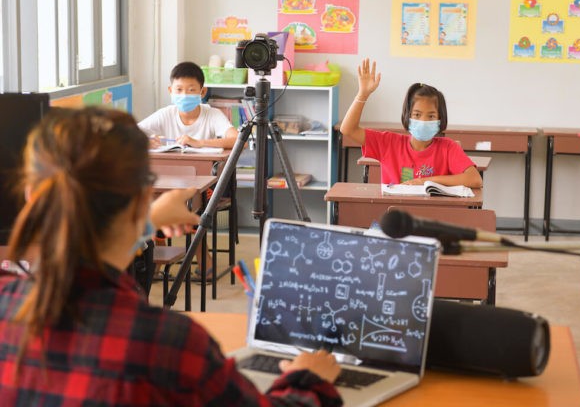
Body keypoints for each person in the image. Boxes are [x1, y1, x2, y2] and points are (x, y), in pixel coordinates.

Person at [0, 107, 341, 406]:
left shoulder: (7, 303)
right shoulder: (168, 341)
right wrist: (307, 378)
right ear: (142, 197)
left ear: (32, 196)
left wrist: (145, 222)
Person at [339, 58, 482, 188]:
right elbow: (348, 130)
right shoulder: (389, 143)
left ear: (440, 119)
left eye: (431, 116)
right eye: (417, 115)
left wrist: (426, 181)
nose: (423, 121)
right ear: (408, 116)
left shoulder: (448, 148)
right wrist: (362, 94)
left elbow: (475, 179)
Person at [138, 61, 238, 149]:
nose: (184, 95)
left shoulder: (212, 114)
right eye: (179, 89)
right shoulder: (165, 114)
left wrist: (199, 143)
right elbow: (127, 135)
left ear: (203, 92)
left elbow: (239, 141)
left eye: (191, 90)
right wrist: (145, 142)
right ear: (170, 91)